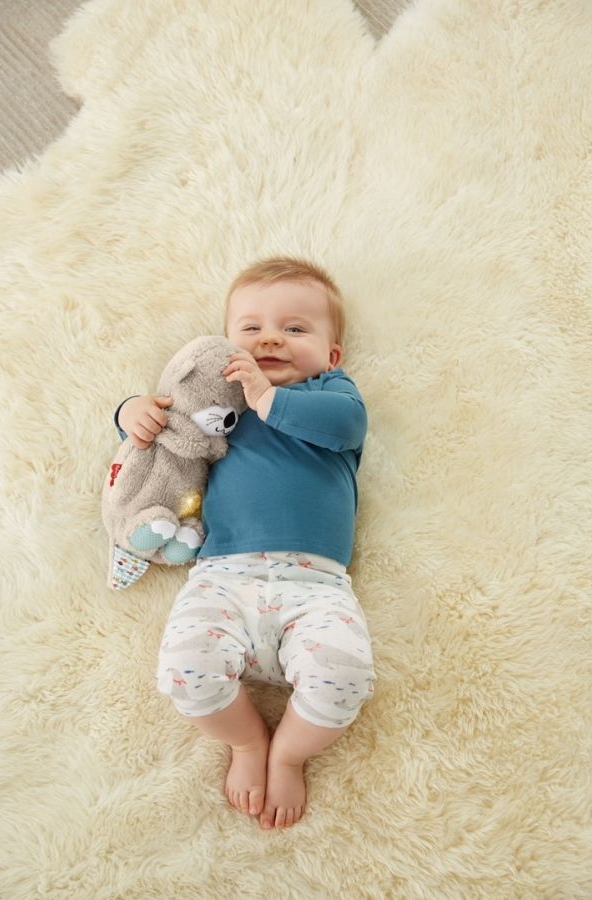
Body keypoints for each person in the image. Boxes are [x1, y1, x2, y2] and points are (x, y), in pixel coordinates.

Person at [112, 256, 375, 830]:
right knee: (184, 669)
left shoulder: (331, 393)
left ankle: (289, 753)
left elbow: (347, 425)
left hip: (315, 587)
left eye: (295, 328)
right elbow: (168, 424)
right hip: (223, 579)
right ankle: (249, 740)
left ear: (331, 356)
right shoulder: (220, 405)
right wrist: (130, 412)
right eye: (251, 328)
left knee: (346, 677)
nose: (271, 339)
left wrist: (269, 398)